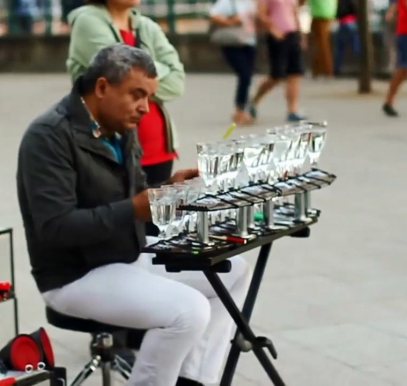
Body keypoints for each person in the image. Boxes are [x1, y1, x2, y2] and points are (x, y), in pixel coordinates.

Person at [16, 44, 250, 386]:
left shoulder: (119, 126)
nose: (145, 108)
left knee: (233, 271)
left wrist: (170, 188)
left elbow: (134, 195)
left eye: (149, 97)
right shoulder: (49, 136)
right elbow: (55, 228)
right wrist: (136, 208)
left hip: (124, 253)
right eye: (137, 95)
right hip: (74, 274)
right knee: (188, 311)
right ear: (101, 87)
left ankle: (193, 381)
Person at [66, 0, 184, 186]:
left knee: (155, 214)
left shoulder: (147, 26)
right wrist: (157, 72)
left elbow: (177, 82)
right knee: (119, 212)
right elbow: (116, 73)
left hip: (159, 147)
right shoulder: (87, 21)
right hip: (112, 148)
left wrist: (135, 78)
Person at [247, 0, 306, 122]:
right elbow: (261, 14)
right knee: (277, 74)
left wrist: (300, 34)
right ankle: (254, 99)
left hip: (292, 33)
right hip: (278, 36)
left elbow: (294, 12)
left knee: (295, 73)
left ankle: (292, 109)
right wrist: (272, 29)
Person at [209, 0, 257, 126]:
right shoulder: (228, 2)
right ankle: (239, 110)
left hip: (249, 41)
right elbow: (213, 16)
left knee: (248, 76)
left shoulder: (252, 2)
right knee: (244, 74)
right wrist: (231, 22)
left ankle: (244, 107)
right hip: (232, 42)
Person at [308, 0, 336, 78]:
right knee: (321, 44)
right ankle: (318, 70)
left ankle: (326, 70)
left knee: (321, 45)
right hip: (327, 13)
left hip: (320, 14)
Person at [333, 0, 359, 76]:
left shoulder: (340, 2)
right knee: (355, 47)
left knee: (339, 49)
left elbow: (338, 14)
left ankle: (337, 69)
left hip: (343, 23)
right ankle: (359, 67)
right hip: (351, 22)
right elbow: (356, 11)